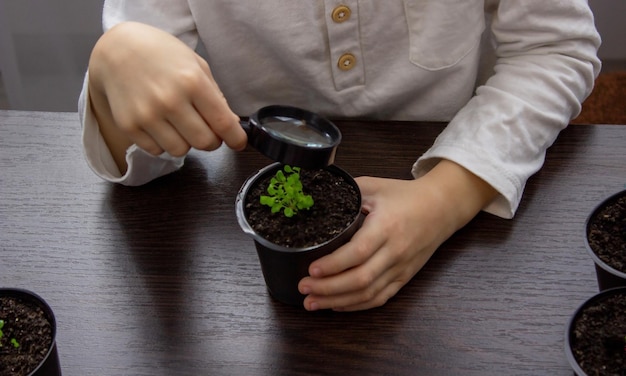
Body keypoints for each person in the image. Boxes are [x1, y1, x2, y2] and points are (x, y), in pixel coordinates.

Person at [80, 1, 601, 312]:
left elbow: (555, 48)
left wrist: (448, 194)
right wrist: (115, 61)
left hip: (456, 245)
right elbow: (140, 118)